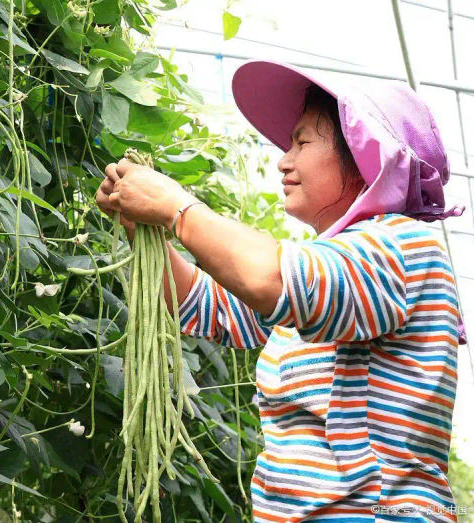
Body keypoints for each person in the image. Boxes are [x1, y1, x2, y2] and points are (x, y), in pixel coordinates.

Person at [97, 60, 468, 523]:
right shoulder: (330, 265)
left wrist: (176, 207)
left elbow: (270, 280)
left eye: (302, 141)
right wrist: (140, 226)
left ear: (363, 153)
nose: (283, 159)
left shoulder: (402, 245)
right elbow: (205, 304)